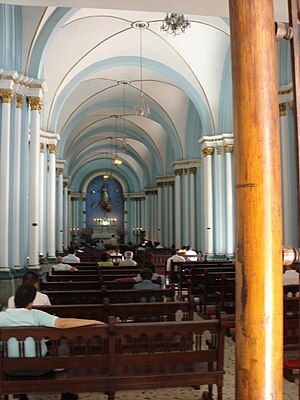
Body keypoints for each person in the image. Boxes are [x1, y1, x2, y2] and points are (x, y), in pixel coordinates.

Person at [0, 284, 103, 400]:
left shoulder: (2, 317)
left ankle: (22, 394)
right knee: (63, 348)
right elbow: (61, 323)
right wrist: (93, 321)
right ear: (31, 302)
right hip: (40, 368)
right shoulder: (35, 314)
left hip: (11, 369)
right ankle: (66, 392)